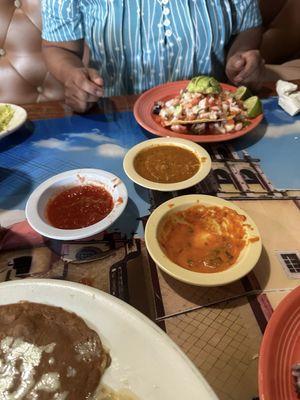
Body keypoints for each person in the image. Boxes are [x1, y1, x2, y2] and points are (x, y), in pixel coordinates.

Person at [41, 0, 265, 113]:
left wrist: (241, 58)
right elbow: (58, 47)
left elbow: (248, 26)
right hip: (119, 115)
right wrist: (73, 75)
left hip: (210, 114)